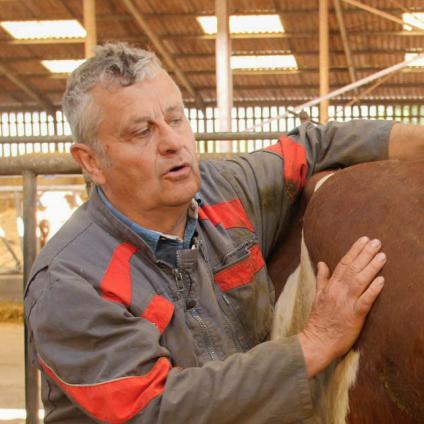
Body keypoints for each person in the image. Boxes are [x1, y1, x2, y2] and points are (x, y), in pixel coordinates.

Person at [24, 43, 424, 423]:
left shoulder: (227, 193)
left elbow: (315, 145)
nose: (172, 142)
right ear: (91, 161)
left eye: (175, 118)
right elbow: (155, 410)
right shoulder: (71, 281)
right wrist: (312, 345)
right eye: (141, 131)